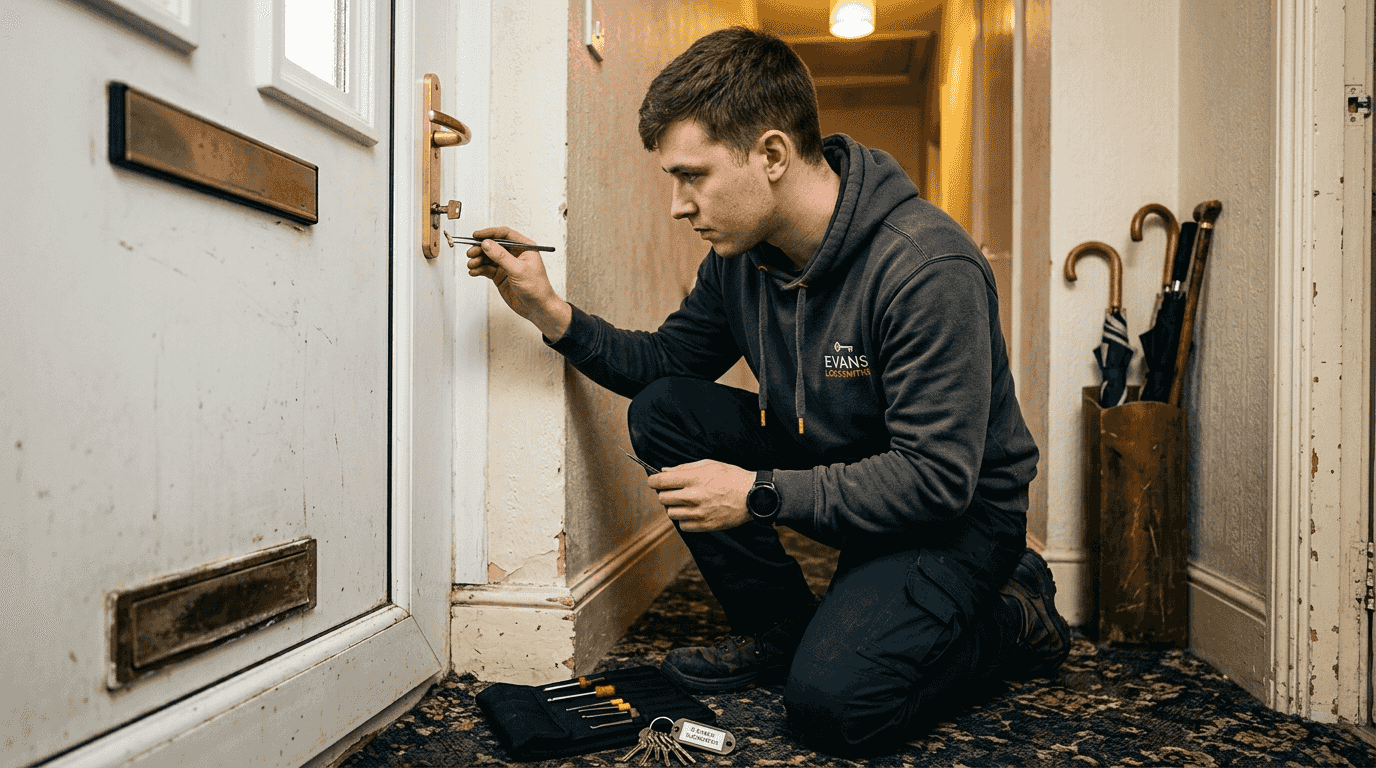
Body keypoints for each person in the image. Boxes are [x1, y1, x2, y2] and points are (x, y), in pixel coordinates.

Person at [465, 26, 1069, 755]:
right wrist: (548, 311)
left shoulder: (925, 266)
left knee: (838, 709)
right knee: (668, 411)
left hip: (952, 518)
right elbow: (665, 365)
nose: (679, 206)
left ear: (773, 155)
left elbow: (937, 479)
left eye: (694, 176)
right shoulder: (742, 259)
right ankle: (777, 628)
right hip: (835, 470)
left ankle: (1014, 617)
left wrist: (756, 491)